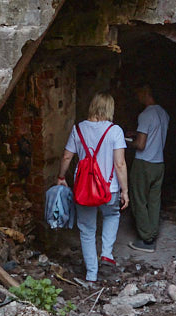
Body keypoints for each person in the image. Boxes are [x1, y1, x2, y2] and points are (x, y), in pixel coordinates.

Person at [56, 92, 127, 283]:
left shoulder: (78, 129)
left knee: (87, 230)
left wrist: (61, 177)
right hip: (109, 188)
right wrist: (125, 191)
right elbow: (120, 164)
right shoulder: (115, 131)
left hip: (84, 189)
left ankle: (91, 274)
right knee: (112, 215)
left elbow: (67, 156)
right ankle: (106, 253)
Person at [128, 83, 169, 253]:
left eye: (139, 93)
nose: (137, 97)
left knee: (138, 200)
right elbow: (153, 135)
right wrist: (136, 133)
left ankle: (146, 238)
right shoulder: (163, 113)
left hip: (144, 163)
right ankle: (152, 232)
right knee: (154, 201)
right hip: (159, 162)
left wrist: (127, 142)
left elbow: (141, 144)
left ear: (145, 93)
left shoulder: (145, 115)